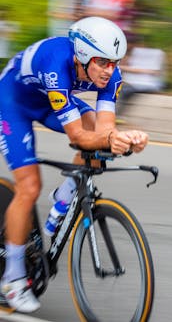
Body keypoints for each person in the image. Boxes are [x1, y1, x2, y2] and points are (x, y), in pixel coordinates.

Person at [0, 16, 148, 313]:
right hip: (11, 102)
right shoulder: (56, 63)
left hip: (50, 101)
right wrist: (111, 139)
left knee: (99, 141)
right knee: (29, 187)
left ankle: (63, 200)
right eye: (103, 62)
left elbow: (104, 130)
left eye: (115, 62)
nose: (110, 70)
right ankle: (12, 279)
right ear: (82, 54)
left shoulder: (111, 75)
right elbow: (78, 136)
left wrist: (124, 137)